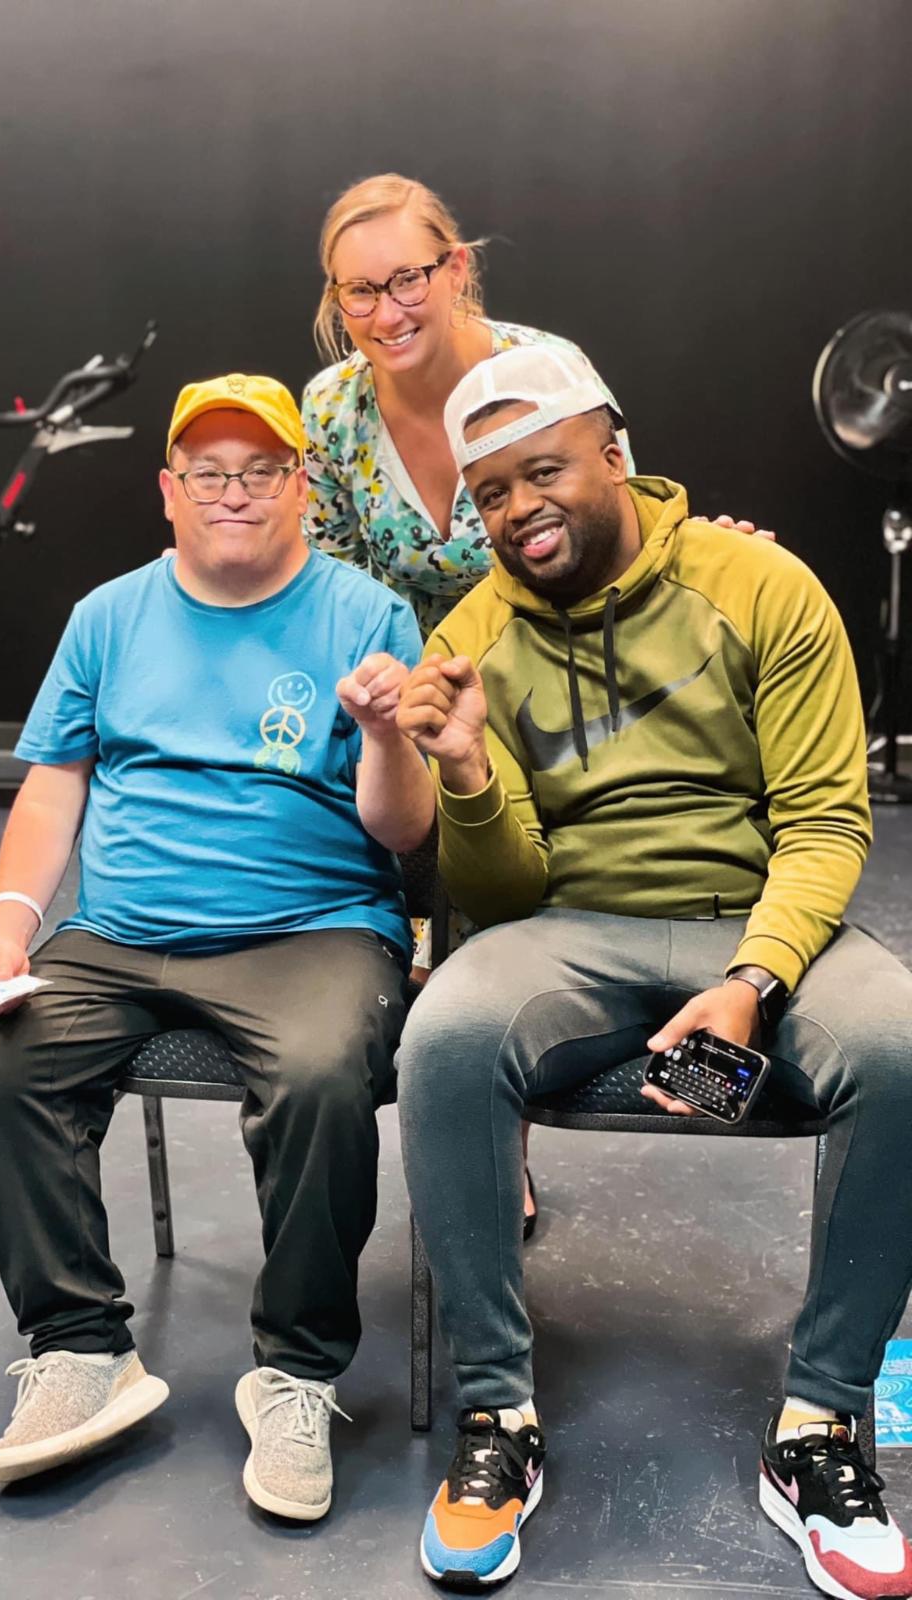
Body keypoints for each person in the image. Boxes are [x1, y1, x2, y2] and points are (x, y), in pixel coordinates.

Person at [392, 343, 912, 1598]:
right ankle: (496, 1414)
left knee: (900, 1047)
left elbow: (825, 823)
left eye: (545, 471)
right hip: (574, 928)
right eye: (491, 493)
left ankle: (820, 1424)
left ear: (615, 451)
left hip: (757, 918)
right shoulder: (472, 637)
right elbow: (503, 893)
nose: (521, 509)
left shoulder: (762, 585)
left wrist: (755, 980)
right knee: (445, 1035)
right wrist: (466, 771)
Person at [0, 373, 433, 1520]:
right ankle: (81, 1348)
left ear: (301, 486)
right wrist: (8, 929)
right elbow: (54, 783)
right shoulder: (108, 615)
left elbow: (405, 831)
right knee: (9, 1065)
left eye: (260, 471)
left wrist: (383, 734)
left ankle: (297, 1372)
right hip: (118, 936)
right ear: (168, 490)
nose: (234, 492)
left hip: (312, 930)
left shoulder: (366, 616)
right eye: (209, 472)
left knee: (322, 1075)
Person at [301, 172, 769, 1238]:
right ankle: (385, 1077)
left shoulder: (542, 372)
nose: (386, 311)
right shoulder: (329, 409)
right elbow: (333, 587)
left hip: (543, 670)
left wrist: (728, 556)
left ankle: (497, 1110)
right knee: (374, 833)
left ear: (456, 268)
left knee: (499, 855)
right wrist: (391, 708)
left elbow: (617, 531)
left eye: (408, 279)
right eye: (358, 291)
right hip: (405, 687)